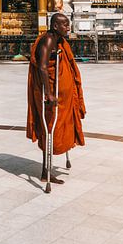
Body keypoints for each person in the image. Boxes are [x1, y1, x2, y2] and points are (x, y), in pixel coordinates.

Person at [27, 13, 86, 184]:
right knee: (50, 129)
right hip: (52, 95)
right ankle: (46, 171)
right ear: (55, 26)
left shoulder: (59, 41)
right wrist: (48, 94)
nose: (68, 27)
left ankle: (48, 168)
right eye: (65, 25)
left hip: (62, 95)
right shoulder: (48, 41)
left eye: (68, 24)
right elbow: (43, 67)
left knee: (58, 127)